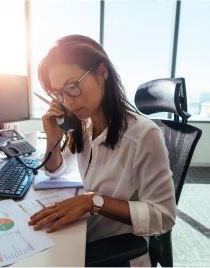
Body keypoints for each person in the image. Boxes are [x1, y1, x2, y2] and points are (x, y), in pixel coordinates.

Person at [28, 35, 176, 267]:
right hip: (85, 234)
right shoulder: (85, 126)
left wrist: (94, 201)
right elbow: (55, 172)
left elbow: (164, 217)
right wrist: (53, 138)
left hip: (115, 252)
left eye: (72, 87)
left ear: (102, 72)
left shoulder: (143, 135)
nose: (67, 102)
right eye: (59, 94)